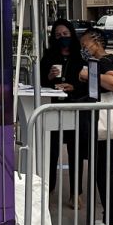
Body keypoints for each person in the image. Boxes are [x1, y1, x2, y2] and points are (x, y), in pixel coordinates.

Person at [77, 29, 113, 225]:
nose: (83, 49)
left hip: (106, 122)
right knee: (107, 170)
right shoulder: (99, 61)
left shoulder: (105, 61)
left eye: (85, 45)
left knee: (106, 171)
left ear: (96, 42)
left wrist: (89, 75)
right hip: (104, 122)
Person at [39, 20, 86, 200]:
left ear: (72, 34)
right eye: (58, 35)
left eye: (65, 34)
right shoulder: (48, 56)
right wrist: (49, 77)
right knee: (51, 151)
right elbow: (40, 82)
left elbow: (88, 84)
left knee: (75, 151)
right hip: (53, 108)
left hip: (74, 108)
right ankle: (49, 188)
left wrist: (73, 87)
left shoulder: (80, 57)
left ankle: (76, 192)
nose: (62, 38)